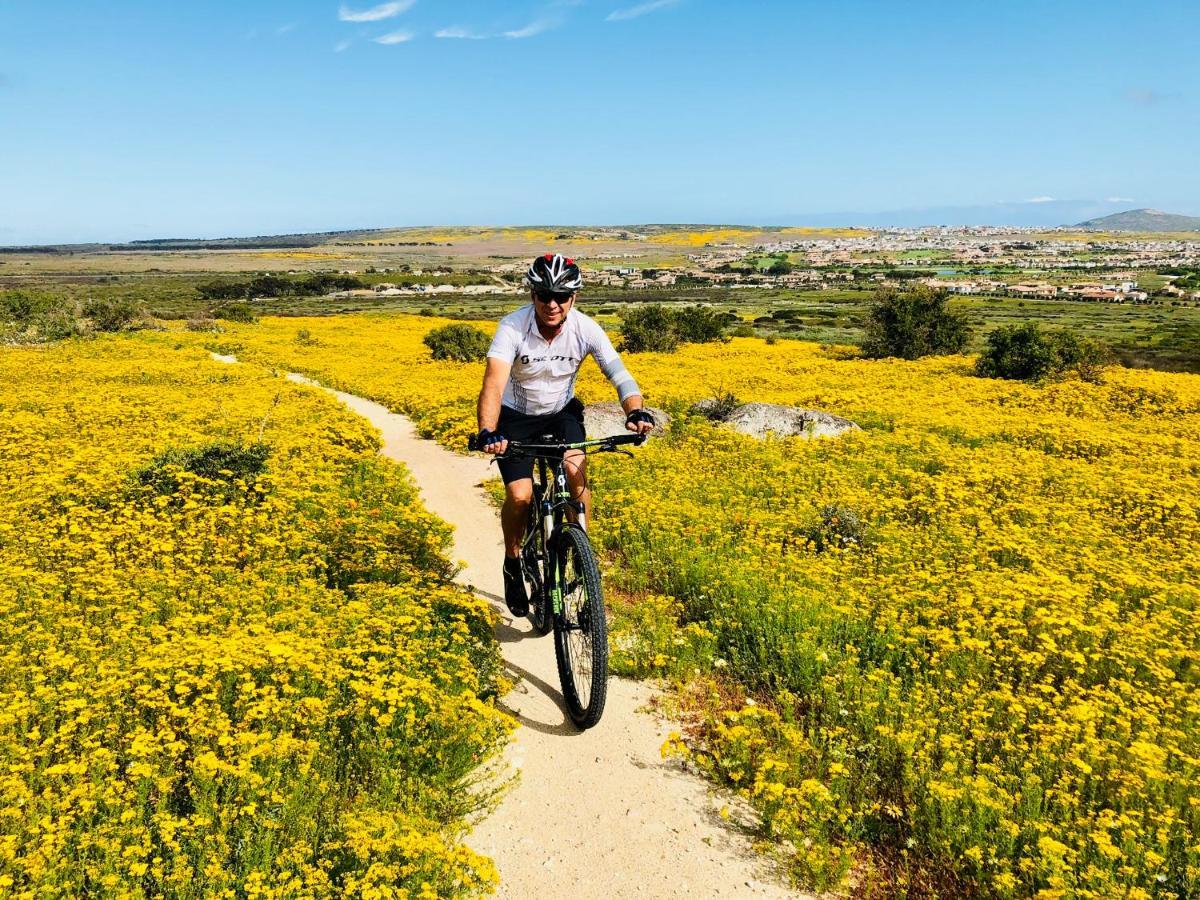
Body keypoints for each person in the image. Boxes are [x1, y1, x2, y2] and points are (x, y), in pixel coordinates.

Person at [475, 253, 654, 617]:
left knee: (576, 470)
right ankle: (513, 561)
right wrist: (488, 430)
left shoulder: (585, 328)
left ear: (574, 297)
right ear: (532, 294)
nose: (552, 304)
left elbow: (619, 373)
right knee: (521, 497)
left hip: (561, 414)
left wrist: (634, 410)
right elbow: (493, 384)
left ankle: (581, 552)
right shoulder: (512, 327)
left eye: (561, 296)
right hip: (516, 417)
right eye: (544, 295)